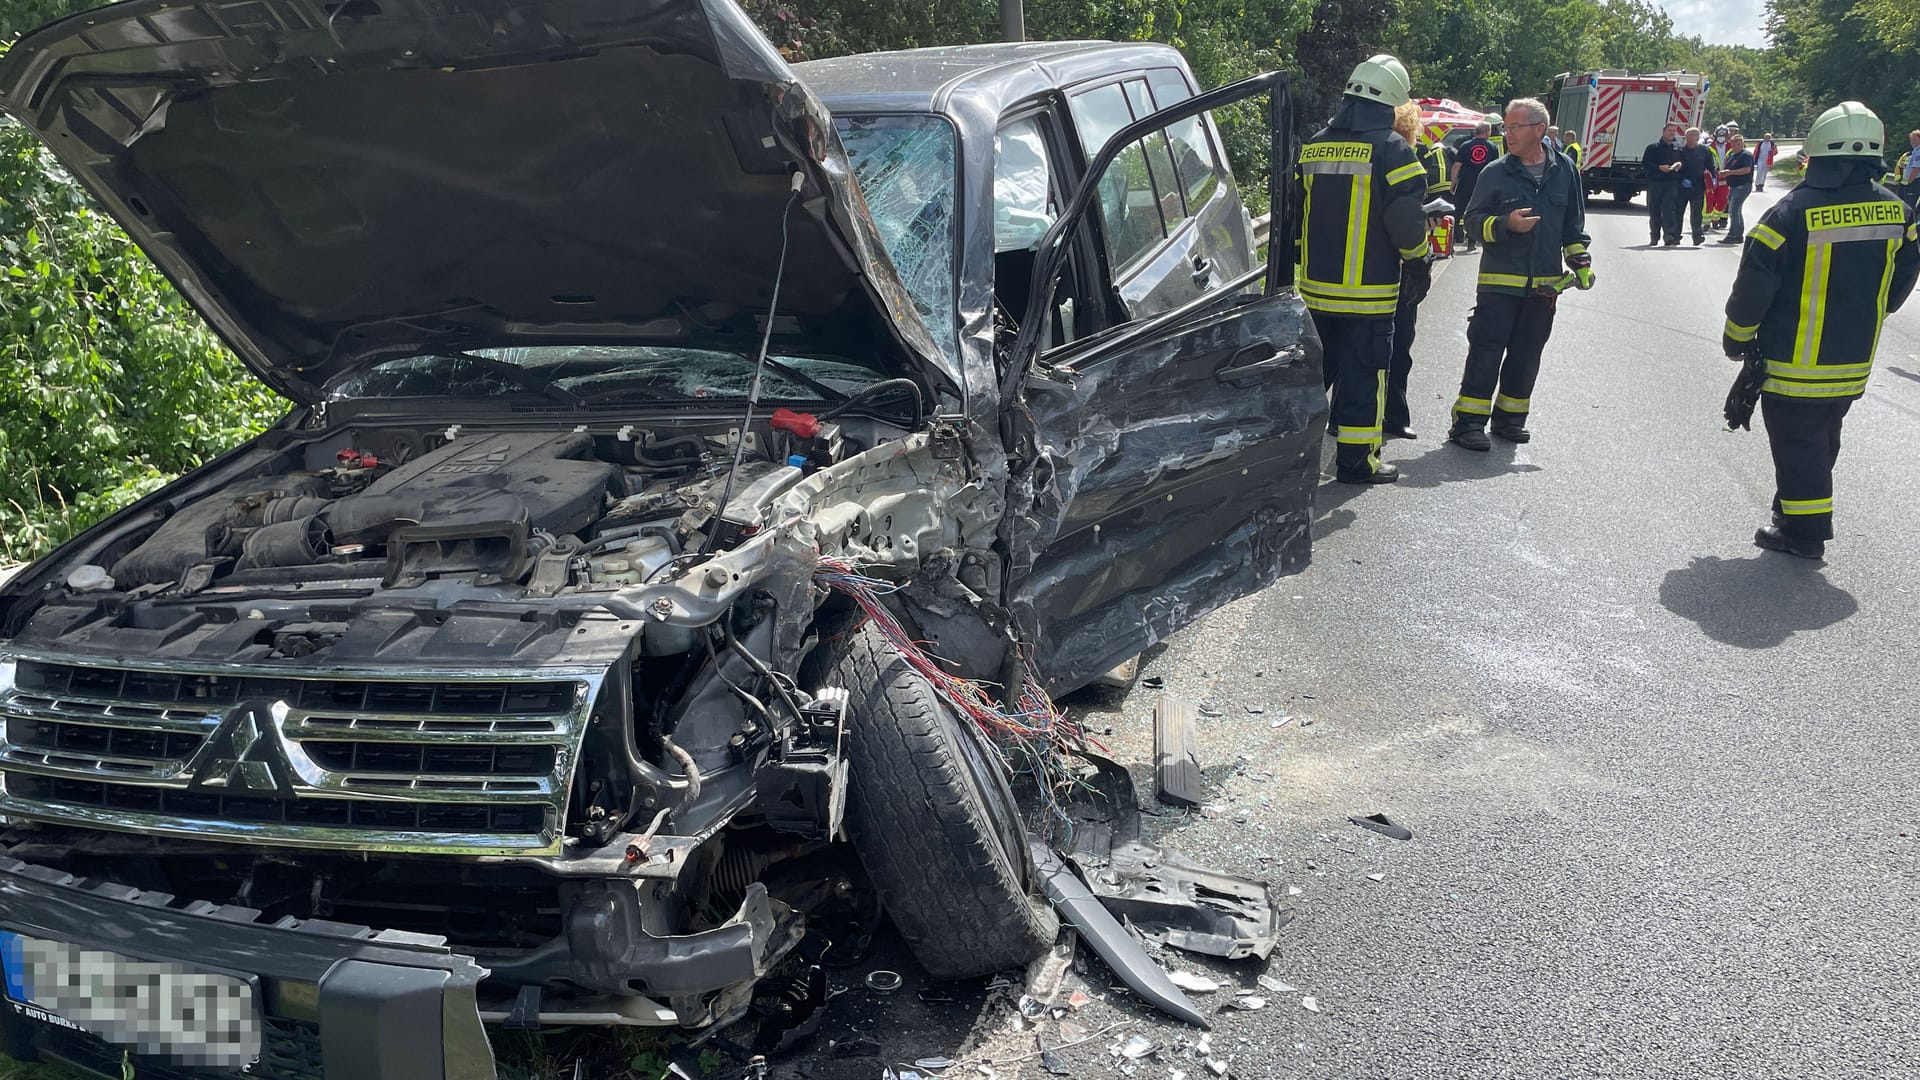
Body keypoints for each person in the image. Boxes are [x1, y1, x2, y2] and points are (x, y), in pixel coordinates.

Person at [1722, 101, 1920, 559]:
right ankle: (1792, 511)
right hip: (1852, 362)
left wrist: (1736, 337)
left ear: (1816, 153)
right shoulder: (1897, 211)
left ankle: (1804, 533)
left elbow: (1754, 285)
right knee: (1821, 438)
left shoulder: (1790, 213)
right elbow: (1905, 270)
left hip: (1795, 362)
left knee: (1799, 442)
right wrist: (1878, 308)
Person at [1295, 54, 1430, 484]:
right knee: (1363, 378)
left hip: (1315, 293)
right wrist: (1419, 260)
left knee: (1310, 380)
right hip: (1368, 297)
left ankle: (1291, 460)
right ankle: (1357, 463)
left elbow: (1296, 214)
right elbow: (1406, 222)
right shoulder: (1393, 150)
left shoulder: (1315, 144)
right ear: (1392, 100)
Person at [1448, 98, 1593, 451]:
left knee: (1527, 354)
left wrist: (1580, 260)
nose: (1507, 134)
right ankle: (1467, 424)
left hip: (1543, 287)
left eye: (1515, 127)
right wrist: (1506, 225)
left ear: (1539, 130)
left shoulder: (1565, 170)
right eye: (1506, 128)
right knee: (1486, 351)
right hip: (1499, 284)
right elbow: (1472, 221)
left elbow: (1573, 225)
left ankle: (1510, 420)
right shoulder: (1495, 171)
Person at [1389, 101, 1443, 440]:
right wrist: (1421, 262)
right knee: (1397, 349)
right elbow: (1402, 221)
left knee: (1355, 354)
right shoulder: (1398, 157)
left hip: (1347, 277)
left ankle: (1342, 418)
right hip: (1394, 271)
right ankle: (1393, 416)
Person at [1452, 122, 1499, 252]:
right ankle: (1471, 242)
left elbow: (1457, 166)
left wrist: (1453, 182)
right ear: (1487, 132)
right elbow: (1496, 168)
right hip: (1484, 183)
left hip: (1465, 182)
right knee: (1478, 210)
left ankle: (1456, 238)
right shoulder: (1492, 147)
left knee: (1459, 209)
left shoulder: (1465, 146)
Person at [1643, 122, 1685, 246]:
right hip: (1656, 182)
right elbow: (1645, 164)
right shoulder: (1653, 147)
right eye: (1669, 130)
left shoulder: (1679, 147)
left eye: (1673, 131)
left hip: (1671, 183)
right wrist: (1659, 167)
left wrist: (1679, 164)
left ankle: (1669, 236)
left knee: (1669, 211)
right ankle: (1654, 236)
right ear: (1663, 132)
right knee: (1654, 210)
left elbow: (1684, 162)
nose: (1672, 133)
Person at [1717, 133, 1755, 243]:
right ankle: (1738, 235)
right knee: (1736, 210)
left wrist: (1730, 172)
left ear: (1742, 144)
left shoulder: (1746, 155)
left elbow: (1746, 170)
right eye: (1734, 145)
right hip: (1733, 186)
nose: (1736, 147)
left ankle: (1733, 235)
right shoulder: (1733, 155)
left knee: (1733, 210)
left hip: (1743, 185)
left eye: (1738, 144)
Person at [1678, 127, 1713, 245]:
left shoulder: (1703, 150)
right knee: (1678, 212)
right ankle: (1675, 236)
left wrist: (1712, 179)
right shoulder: (1680, 151)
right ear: (1687, 137)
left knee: (1696, 213)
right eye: (1693, 135)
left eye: (1697, 135)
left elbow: (1710, 165)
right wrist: (1681, 180)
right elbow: (1676, 169)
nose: (1696, 137)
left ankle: (1697, 236)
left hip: (1698, 186)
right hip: (1682, 187)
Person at [1899, 130, 1920, 208]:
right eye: (1911, 140)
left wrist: (1909, 182)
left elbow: (1916, 169)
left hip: (1915, 182)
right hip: (1914, 180)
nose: (1912, 142)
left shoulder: (1918, 152)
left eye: (1915, 140)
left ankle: (1912, 220)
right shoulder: (1915, 151)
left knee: (1911, 205)